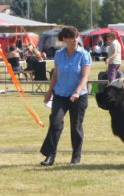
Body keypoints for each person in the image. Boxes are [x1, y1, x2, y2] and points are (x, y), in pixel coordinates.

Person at [39, 26, 92, 166]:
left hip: (78, 97)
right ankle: (50, 156)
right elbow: (55, 76)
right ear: (64, 39)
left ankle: (76, 157)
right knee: (55, 122)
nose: (75, 40)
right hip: (60, 95)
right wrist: (49, 93)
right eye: (71, 37)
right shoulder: (59, 55)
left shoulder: (84, 54)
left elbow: (85, 77)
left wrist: (77, 91)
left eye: (76, 36)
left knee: (76, 127)